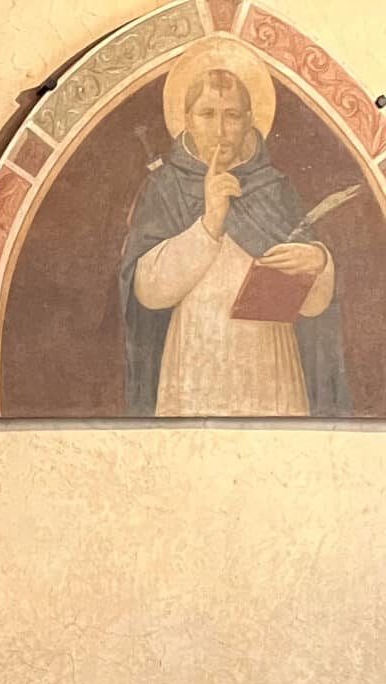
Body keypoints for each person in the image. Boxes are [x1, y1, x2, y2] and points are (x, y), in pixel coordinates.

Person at [124, 50, 348, 417]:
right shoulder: (165, 188)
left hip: (269, 361)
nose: (220, 129)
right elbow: (147, 293)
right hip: (195, 360)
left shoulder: (275, 188)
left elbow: (311, 307)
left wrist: (317, 262)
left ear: (249, 121)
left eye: (232, 116)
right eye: (207, 114)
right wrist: (209, 223)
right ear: (187, 120)